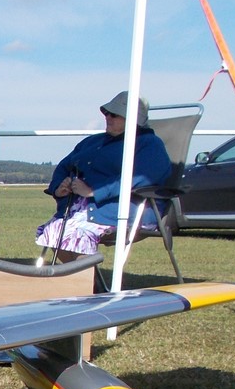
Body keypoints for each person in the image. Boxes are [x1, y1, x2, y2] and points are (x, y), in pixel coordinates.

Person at [35, 90, 172, 261]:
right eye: (106, 113)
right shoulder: (92, 142)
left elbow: (143, 178)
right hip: (80, 210)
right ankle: (84, 276)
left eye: (114, 114)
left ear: (132, 119)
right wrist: (59, 187)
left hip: (122, 211)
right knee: (54, 230)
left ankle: (84, 276)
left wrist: (94, 191)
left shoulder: (150, 144)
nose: (107, 117)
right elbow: (64, 166)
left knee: (75, 234)